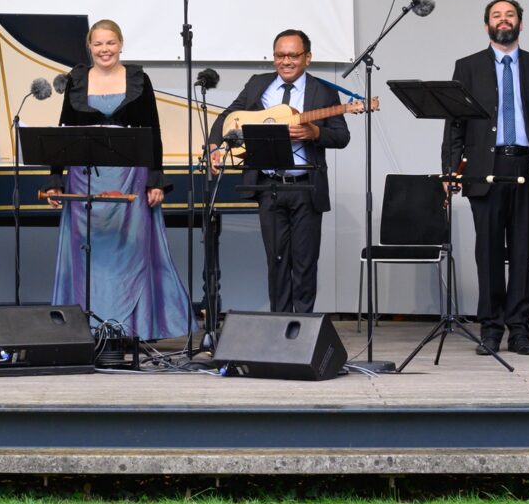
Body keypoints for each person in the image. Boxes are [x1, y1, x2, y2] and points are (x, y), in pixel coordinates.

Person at [441, 0, 529, 356]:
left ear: (520, 23)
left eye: (509, 15)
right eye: (496, 15)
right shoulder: (467, 67)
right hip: (484, 169)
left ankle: (519, 331)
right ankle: (490, 330)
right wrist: (450, 170)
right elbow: (455, 125)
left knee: (523, 252)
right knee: (488, 254)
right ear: (487, 25)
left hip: (526, 167)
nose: (503, 20)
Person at [46, 19, 190, 341]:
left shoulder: (139, 79)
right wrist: (56, 178)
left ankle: (132, 329)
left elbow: (153, 131)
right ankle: (89, 330)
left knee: (131, 254)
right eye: (98, 43)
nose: (104, 49)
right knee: (88, 256)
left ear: (121, 44)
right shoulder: (76, 79)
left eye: (110, 43)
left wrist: (155, 180)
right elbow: (63, 130)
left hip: (131, 180)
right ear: (89, 46)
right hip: (84, 181)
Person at [207, 29, 352, 313]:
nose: (285, 61)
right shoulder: (257, 84)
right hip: (268, 186)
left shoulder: (324, 91)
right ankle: (279, 323)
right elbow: (228, 116)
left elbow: (341, 136)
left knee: (305, 262)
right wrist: (214, 145)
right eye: (279, 55)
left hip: (306, 187)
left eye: (293, 55)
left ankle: (303, 326)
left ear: (307, 58)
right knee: (276, 261)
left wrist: (314, 133)